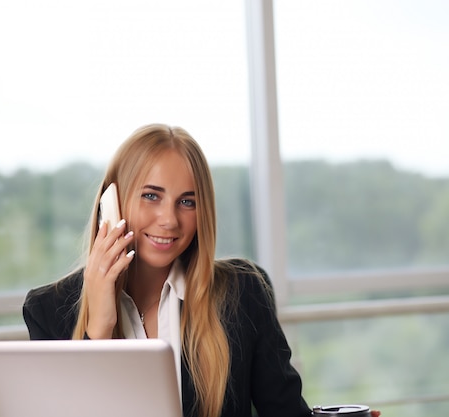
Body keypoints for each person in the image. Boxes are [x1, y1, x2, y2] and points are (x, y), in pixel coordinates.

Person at [23, 124, 380, 417]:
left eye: (187, 202)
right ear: (111, 203)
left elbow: (285, 412)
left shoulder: (243, 292)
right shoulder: (48, 310)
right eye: (151, 196)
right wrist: (98, 329)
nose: (169, 220)